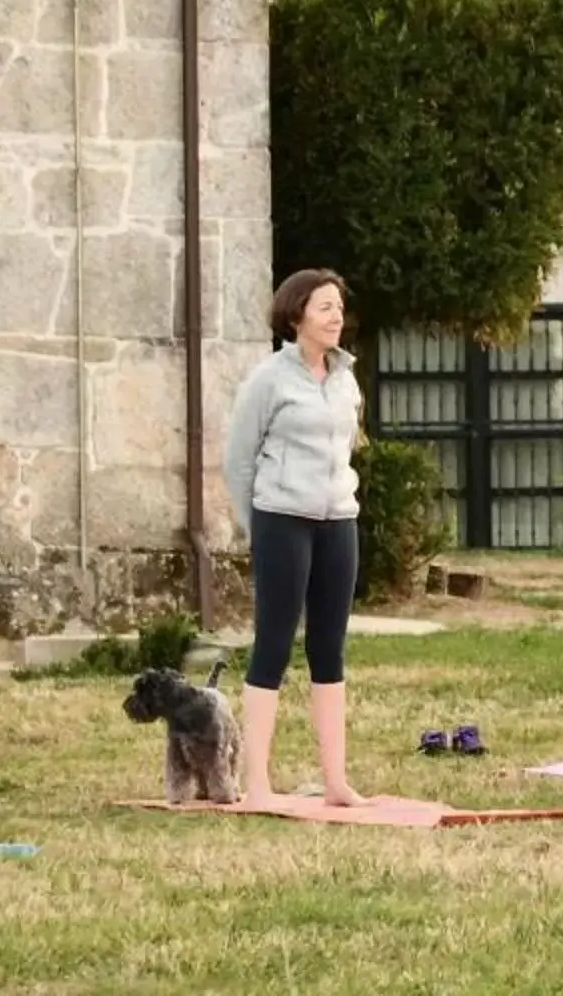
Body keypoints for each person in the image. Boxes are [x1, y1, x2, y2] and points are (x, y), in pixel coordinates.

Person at [224, 268, 367, 807]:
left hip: (337, 521)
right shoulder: (269, 378)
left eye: (338, 307)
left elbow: (346, 448)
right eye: (325, 307)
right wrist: (257, 525)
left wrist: (338, 499)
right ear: (296, 316)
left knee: (329, 649)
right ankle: (255, 780)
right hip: (281, 520)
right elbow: (239, 460)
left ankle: (335, 781)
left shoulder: (345, 377)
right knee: (274, 646)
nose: (336, 316)